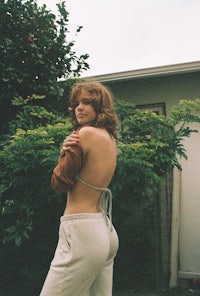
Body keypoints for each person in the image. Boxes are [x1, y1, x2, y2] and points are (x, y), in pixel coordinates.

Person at [40, 80, 119, 296]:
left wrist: (63, 153)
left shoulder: (83, 135)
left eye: (86, 102)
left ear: (99, 107)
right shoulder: (110, 139)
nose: (79, 108)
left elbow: (60, 182)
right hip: (105, 230)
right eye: (77, 103)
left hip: (81, 231)